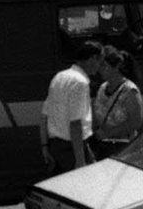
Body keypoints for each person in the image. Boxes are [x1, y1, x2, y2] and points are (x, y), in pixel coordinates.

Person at [40, 42, 104, 176]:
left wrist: (45, 147)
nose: (99, 68)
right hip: (73, 149)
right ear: (92, 59)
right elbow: (75, 124)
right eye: (99, 62)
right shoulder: (80, 83)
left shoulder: (59, 77)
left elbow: (44, 115)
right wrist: (80, 161)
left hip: (56, 147)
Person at [91, 47, 143, 159]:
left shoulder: (129, 90)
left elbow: (136, 122)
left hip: (123, 148)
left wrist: (108, 133)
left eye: (104, 66)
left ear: (116, 67)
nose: (100, 70)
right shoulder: (102, 88)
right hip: (103, 148)